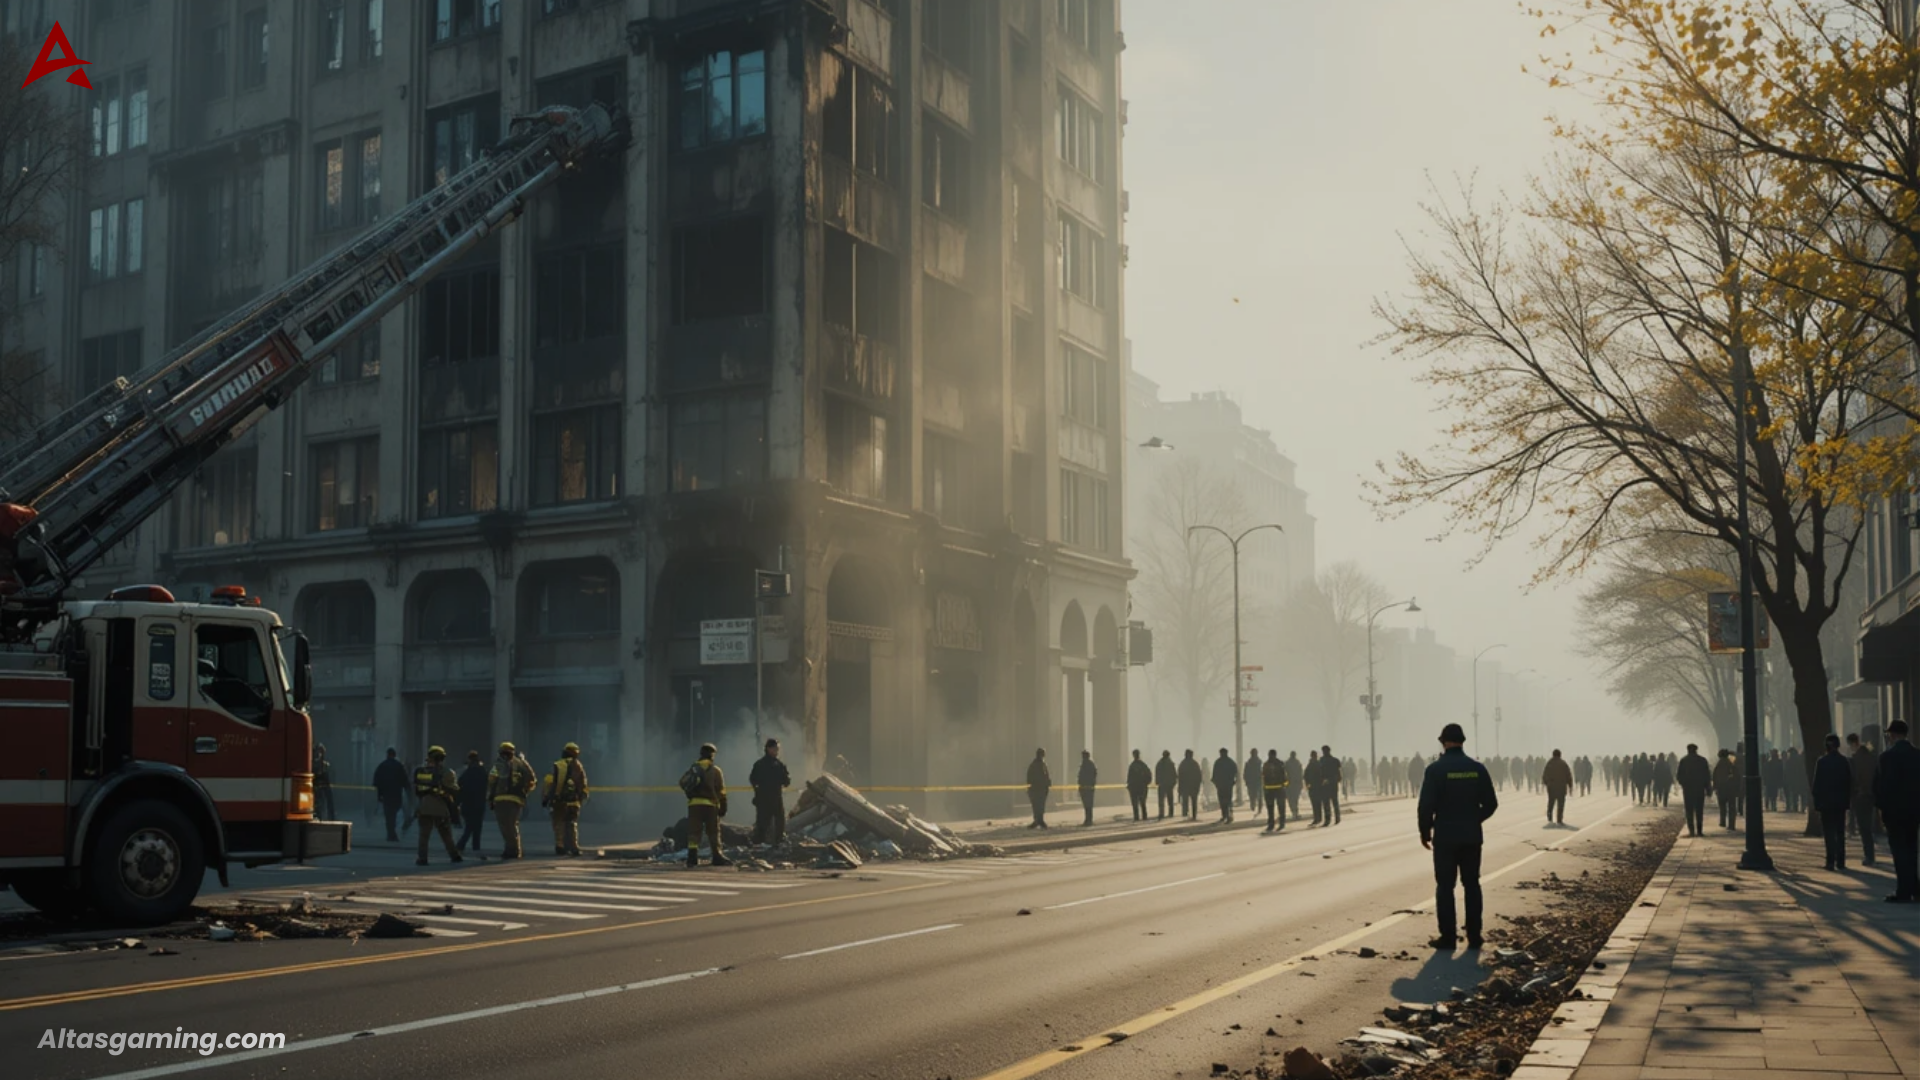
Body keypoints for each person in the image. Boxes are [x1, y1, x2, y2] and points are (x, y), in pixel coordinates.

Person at [1418, 722, 1498, 950]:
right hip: (1471, 836)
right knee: (1472, 884)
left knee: (1445, 887)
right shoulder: (1477, 768)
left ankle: (1448, 937)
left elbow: (1426, 806)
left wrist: (1425, 831)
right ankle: (1474, 935)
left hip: (1445, 836)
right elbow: (1491, 803)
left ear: (1443, 743)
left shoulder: (1435, 770)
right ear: (1462, 741)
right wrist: (1474, 819)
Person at [1871, 719, 1918, 903]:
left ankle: (1904, 890)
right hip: (1914, 811)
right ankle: (1915, 887)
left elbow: (1881, 786)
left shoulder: (1887, 757)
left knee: (1899, 851)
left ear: (1893, 735)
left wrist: (1881, 808)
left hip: (1894, 812)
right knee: (1912, 849)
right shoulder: (1917, 755)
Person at [411, 746, 463, 867]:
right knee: (446, 834)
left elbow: (417, 790)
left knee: (424, 835)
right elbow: (454, 790)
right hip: (440, 808)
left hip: (424, 807)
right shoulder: (447, 772)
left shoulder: (421, 772)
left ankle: (422, 858)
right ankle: (454, 855)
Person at [682, 742, 729, 867]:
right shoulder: (715, 770)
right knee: (713, 831)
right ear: (712, 755)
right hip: (710, 806)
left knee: (694, 831)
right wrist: (723, 805)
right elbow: (721, 790)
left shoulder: (694, 768)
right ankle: (717, 856)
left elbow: (683, 782)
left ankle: (692, 857)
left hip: (694, 806)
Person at [487, 741, 535, 858]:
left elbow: (492, 782)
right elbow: (532, 779)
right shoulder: (521, 764)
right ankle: (512, 849)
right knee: (511, 825)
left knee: (505, 826)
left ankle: (512, 850)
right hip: (514, 800)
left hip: (501, 799)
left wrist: (490, 798)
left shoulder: (497, 764)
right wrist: (524, 793)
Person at [1813, 734, 1852, 871]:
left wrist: (1817, 803)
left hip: (1826, 803)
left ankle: (1830, 861)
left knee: (1829, 833)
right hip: (1840, 803)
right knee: (1840, 832)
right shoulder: (1844, 761)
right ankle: (1841, 861)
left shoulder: (1822, 762)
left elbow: (1816, 785)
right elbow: (1849, 783)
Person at [544, 742, 589, 856]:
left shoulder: (558, 765)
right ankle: (574, 847)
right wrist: (581, 797)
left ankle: (560, 846)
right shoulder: (579, 766)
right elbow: (583, 784)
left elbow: (553, 783)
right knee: (571, 824)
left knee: (559, 824)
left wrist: (549, 797)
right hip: (574, 802)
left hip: (560, 802)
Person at [750, 738, 791, 845]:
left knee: (774, 822)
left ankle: (772, 842)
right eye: (774, 749)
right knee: (768, 822)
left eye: (777, 749)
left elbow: (786, 781)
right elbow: (753, 780)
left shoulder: (775, 764)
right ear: (768, 749)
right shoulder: (766, 764)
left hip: (771, 798)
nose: (776, 751)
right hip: (768, 798)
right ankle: (766, 842)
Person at [1847, 732, 1878, 868]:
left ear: (1853, 743)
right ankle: (1870, 854)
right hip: (1871, 795)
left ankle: (1869, 855)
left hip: (1861, 796)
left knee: (1864, 828)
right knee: (1867, 827)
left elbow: (1857, 777)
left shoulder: (1857, 759)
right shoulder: (1871, 757)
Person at [456, 750, 489, 854]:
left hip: (467, 803)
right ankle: (475, 846)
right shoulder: (482, 772)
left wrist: (457, 802)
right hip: (479, 803)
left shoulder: (466, 773)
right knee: (477, 826)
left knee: (470, 825)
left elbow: (459, 787)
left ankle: (461, 845)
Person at [372, 747, 409, 841]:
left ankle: (390, 833)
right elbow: (405, 780)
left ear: (387, 755)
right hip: (396, 794)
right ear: (394, 755)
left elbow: (376, 781)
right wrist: (408, 791)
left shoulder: (382, 766)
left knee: (388, 815)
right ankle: (392, 833)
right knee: (393, 813)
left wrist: (379, 794)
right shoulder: (399, 766)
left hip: (386, 794)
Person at [1676, 743, 1711, 837]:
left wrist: (1684, 784)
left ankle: (1691, 831)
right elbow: (1707, 776)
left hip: (1688, 789)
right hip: (1699, 789)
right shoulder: (1702, 761)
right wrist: (1708, 788)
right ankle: (1699, 830)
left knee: (1689, 810)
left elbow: (1679, 776)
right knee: (1699, 810)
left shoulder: (1684, 761)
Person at [1542, 749, 1573, 825]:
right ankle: (1559, 819)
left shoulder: (1549, 763)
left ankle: (1549, 817)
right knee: (1560, 804)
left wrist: (1547, 783)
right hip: (1561, 787)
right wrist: (1570, 785)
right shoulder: (1563, 764)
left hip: (1551, 787)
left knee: (1551, 802)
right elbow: (1568, 775)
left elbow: (1545, 775)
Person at [1261, 749, 1288, 832]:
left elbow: (1263, 777)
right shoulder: (1280, 764)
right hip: (1279, 789)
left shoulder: (1266, 764)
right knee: (1281, 807)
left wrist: (1264, 787)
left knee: (1270, 808)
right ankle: (1281, 823)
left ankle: (1271, 824)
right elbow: (1285, 777)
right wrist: (1284, 785)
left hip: (1269, 789)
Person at [1712, 750, 1739, 830]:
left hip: (1721, 788)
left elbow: (1715, 777)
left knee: (1722, 806)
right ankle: (1731, 824)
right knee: (1731, 807)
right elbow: (1736, 776)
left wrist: (1715, 787)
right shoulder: (1731, 764)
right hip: (1731, 788)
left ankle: (1722, 821)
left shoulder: (1718, 765)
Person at [1026, 748, 1052, 829]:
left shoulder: (1041, 764)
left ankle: (1039, 820)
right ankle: (1038, 820)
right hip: (1037, 789)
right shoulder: (1036, 765)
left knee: (1040, 805)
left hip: (1041, 789)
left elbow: (1046, 776)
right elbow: (1030, 778)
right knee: (1037, 805)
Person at [1211, 748, 1238, 823]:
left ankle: (1226, 815)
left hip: (1222, 785)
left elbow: (1214, 774)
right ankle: (1227, 815)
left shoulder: (1218, 762)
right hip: (1227, 784)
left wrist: (1215, 782)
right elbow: (1236, 772)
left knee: (1223, 800)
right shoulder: (1230, 762)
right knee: (1227, 800)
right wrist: (1234, 781)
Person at [1320, 745, 1344, 825]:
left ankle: (1328, 819)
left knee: (1327, 803)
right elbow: (1339, 774)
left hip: (1326, 784)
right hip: (1332, 784)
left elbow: (1320, 773)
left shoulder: (1322, 761)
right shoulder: (1335, 760)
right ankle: (1337, 818)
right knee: (1334, 802)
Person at [1127, 750, 1152, 822]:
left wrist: (1129, 785)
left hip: (1135, 787)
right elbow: (1149, 775)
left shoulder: (1132, 766)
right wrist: (1146, 782)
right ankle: (1144, 816)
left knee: (1136, 803)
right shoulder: (1143, 765)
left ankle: (1137, 817)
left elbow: (1130, 777)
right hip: (1141, 787)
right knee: (1142, 802)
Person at [1178, 749, 1203, 820]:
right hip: (1193, 786)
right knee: (1194, 801)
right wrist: (1198, 784)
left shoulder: (1183, 764)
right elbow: (1199, 776)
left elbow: (1180, 776)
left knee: (1185, 801)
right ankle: (1194, 815)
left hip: (1185, 786)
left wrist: (1180, 787)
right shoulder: (1195, 764)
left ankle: (1185, 814)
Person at [312, 745, 335, 821]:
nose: (318, 754)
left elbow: (329, 777)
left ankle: (331, 816)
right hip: (315, 787)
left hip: (324, 786)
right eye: (317, 752)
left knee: (328, 800)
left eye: (320, 752)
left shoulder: (325, 765)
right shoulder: (311, 764)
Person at [1077, 750, 1099, 827]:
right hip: (1087, 787)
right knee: (1088, 804)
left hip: (1087, 788)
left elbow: (1082, 776)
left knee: (1088, 804)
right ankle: (1088, 819)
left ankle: (1088, 820)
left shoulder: (1086, 764)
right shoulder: (1090, 764)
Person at [1154, 750, 1177, 820]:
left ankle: (1161, 813)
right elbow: (1174, 774)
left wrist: (1157, 781)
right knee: (1170, 800)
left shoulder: (1159, 763)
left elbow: (1157, 773)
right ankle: (1171, 813)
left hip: (1162, 784)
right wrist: (1173, 782)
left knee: (1161, 800)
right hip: (1169, 784)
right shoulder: (1171, 764)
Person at [1305, 750, 1324, 826]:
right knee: (1317, 803)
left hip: (1314, 787)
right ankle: (1318, 818)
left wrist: (1308, 784)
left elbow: (1305, 775)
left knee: (1315, 804)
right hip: (1318, 786)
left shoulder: (1311, 765)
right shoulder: (1318, 764)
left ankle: (1317, 818)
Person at [1286, 750, 1305, 820]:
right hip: (1295, 784)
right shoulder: (1297, 763)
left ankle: (1294, 812)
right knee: (1295, 799)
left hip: (1290, 784)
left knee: (1291, 799)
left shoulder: (1287, 763)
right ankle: (1295, 812)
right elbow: (1301, 774)